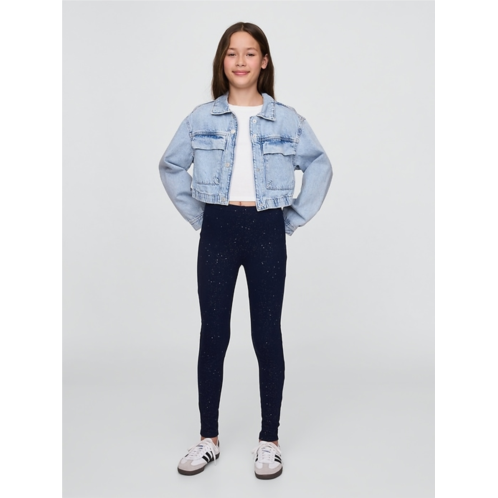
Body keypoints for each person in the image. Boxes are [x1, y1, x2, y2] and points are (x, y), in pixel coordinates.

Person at [159, 21, 333, 480]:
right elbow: (171, 165)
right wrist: (201, 217)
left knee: (266, 334)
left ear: (264, 61)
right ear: (223, 61)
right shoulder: (201, 118)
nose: (240, 61)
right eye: (232, 53)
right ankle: (209, 438)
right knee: (214, 333)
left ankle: (269, 440)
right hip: (217, 229)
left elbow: (320, 165)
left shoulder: (287, 120)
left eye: (250, 52)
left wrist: (289, 219)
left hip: (266, 231)